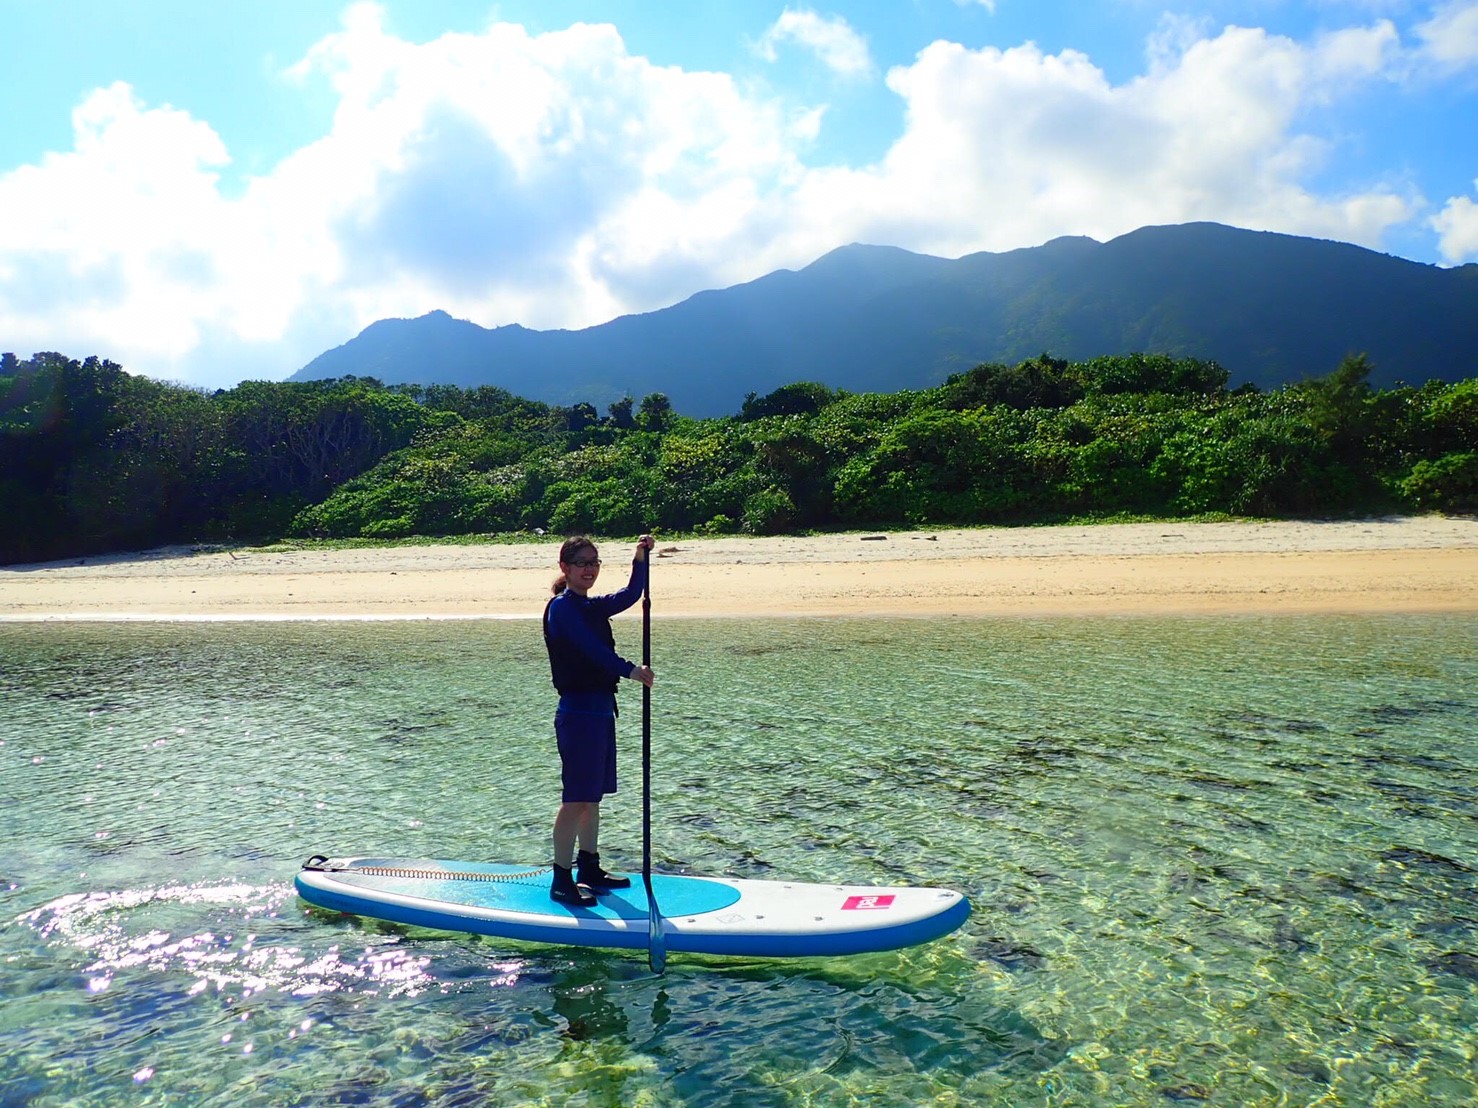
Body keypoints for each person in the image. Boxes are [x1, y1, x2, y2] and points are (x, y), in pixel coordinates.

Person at [542, 533, 656, 906]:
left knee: (592, 798)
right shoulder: (562, 609)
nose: (589, 569)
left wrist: (640, 558)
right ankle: (561, 879)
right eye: (582, 563)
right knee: (576, 798)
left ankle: (588, 867)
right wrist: (630, 670)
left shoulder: (591, 606)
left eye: (594, 562)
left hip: (600, 712)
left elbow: (630, 595)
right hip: (577, 715)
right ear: (565, 568)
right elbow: (591, 651)